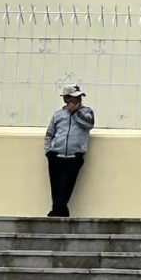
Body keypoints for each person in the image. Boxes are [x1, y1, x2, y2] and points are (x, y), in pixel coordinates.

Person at [44, 84, 95, 217]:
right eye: (74, 98)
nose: (78, 100)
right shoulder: (58, 115)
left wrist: (75, 113)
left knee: (66, 186)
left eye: (79, 97)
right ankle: (62, 212)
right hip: (56, 155)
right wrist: (49, 152)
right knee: (56, 187)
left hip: (74, 157)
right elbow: (49, 134)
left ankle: (55, 212)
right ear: (66, 99)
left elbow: (89, 124)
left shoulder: (86, 112)